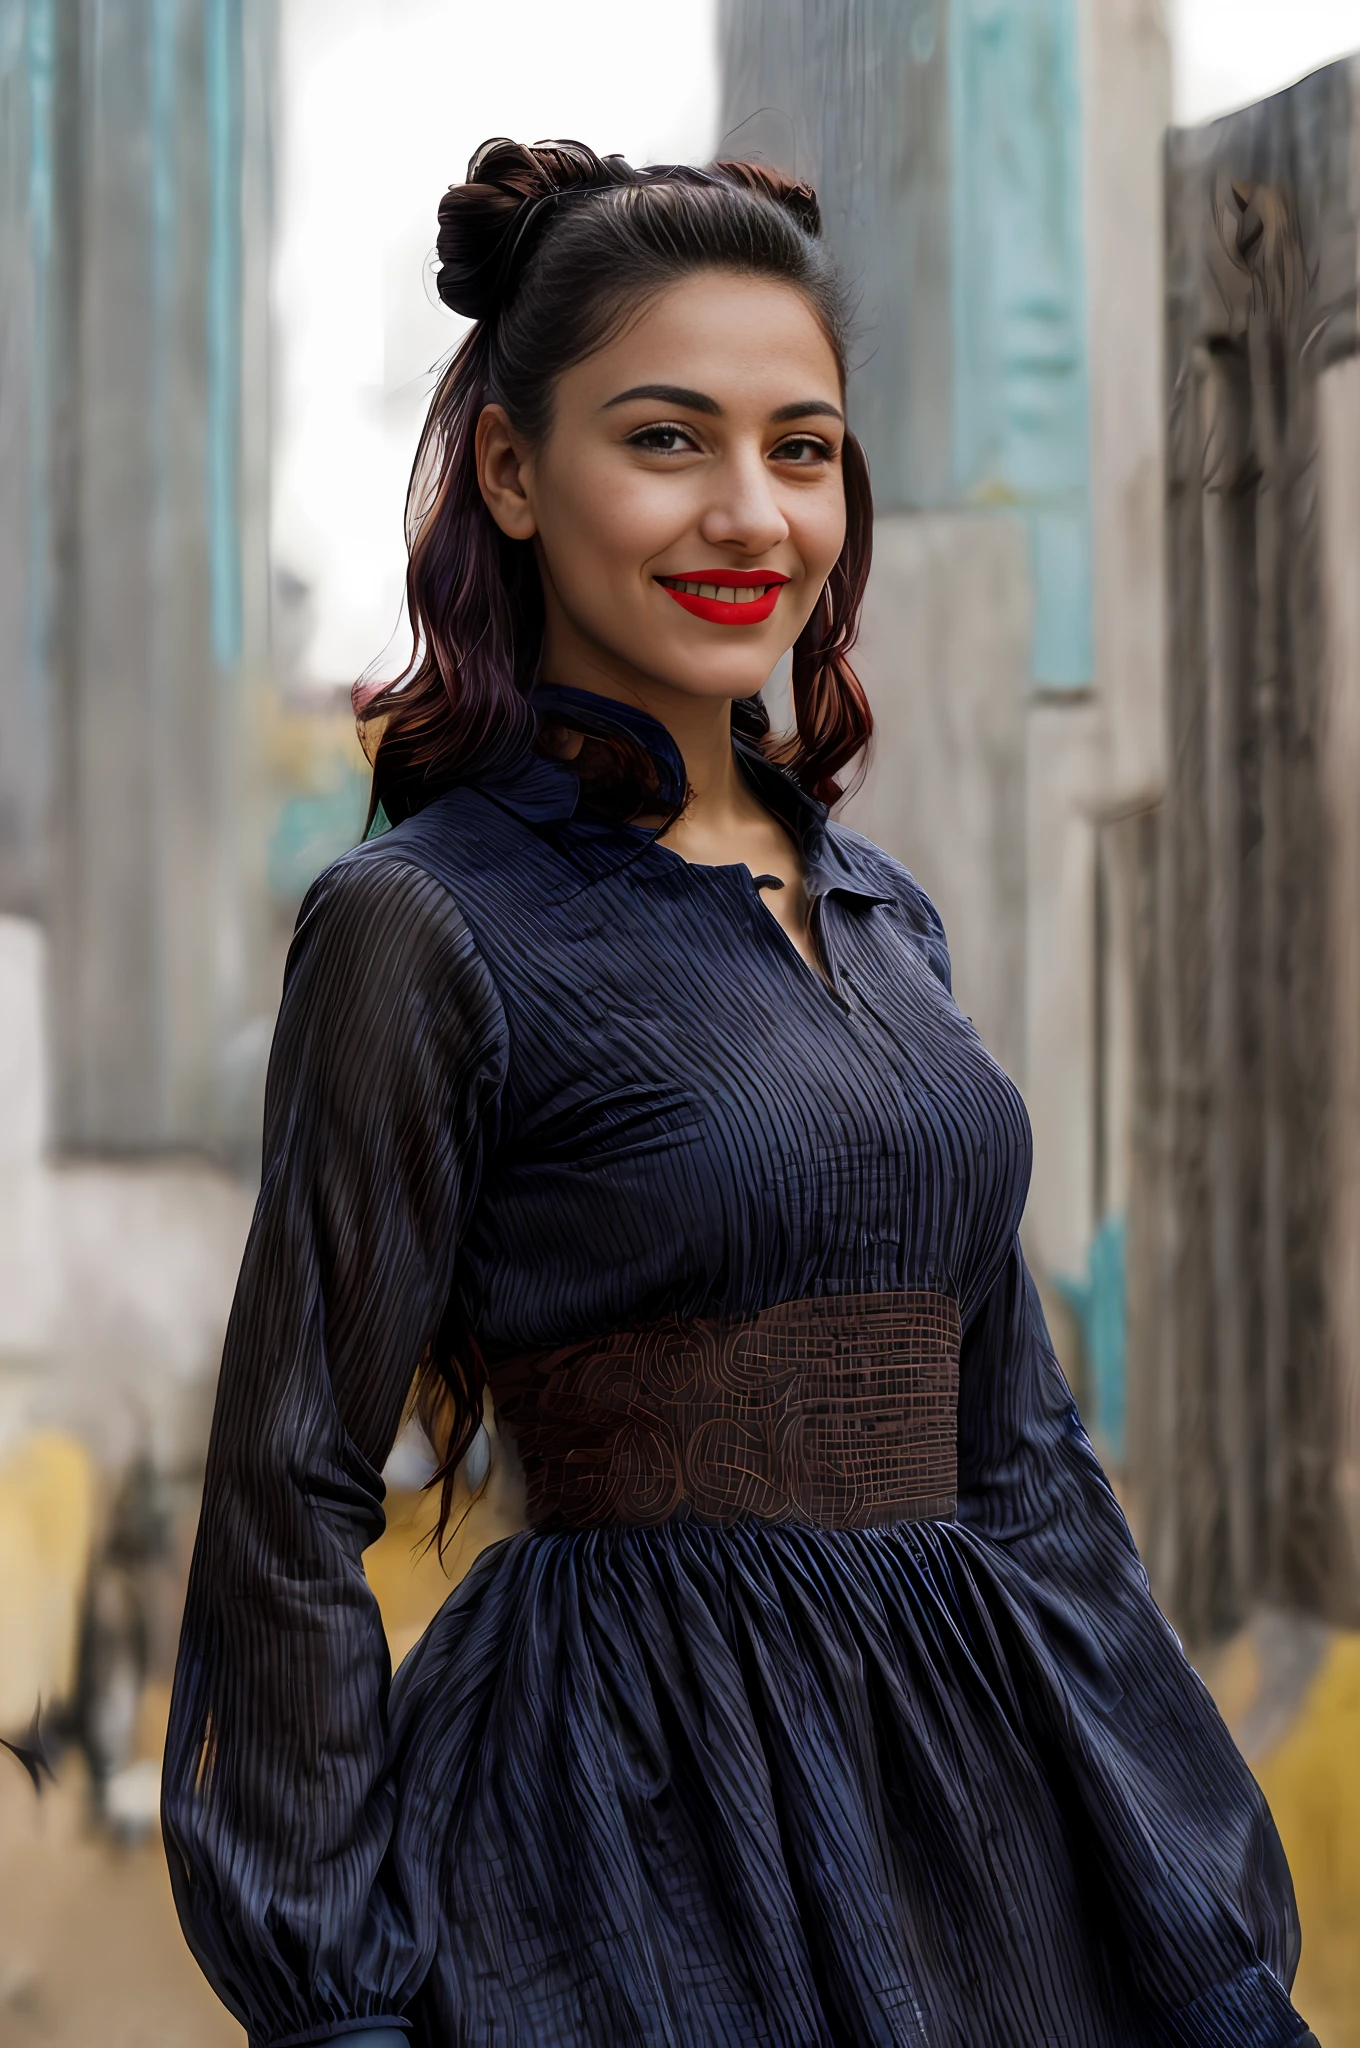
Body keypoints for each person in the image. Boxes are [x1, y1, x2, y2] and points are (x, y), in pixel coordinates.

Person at [163, 140, 1311, 2048]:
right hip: (623, 1843)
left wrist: (1203, 1939)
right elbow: (288, 1495)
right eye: (669, 439)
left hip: (984, 1833)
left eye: (802, 450)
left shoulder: (885, 917)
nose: (751, 515)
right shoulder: (420, 924)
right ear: (515, 477)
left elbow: (1022, 1466)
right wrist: (339, 2006)